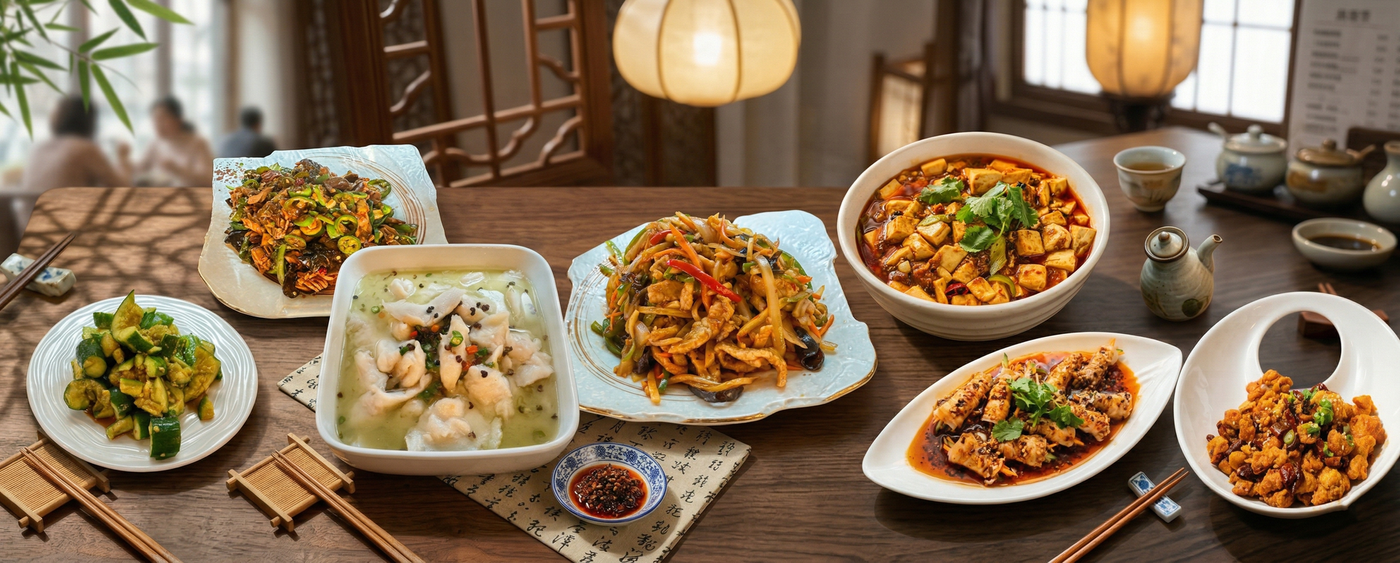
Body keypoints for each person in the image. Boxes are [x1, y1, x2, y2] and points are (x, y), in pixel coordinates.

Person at [19, 96, 132, 194]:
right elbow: (123, 189)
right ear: (90, 120)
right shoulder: (84, 149)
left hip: (28, 217)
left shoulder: (38, 148)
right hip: (66, 217)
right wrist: (123, 158)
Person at [134, 96, 213, 187]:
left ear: (178, 119)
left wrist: (177, 170)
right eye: (155, 120)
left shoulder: (197, 143)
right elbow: (137, 171)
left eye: (162, 119)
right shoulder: (155, 143)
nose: (158, 125)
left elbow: (208, 179)